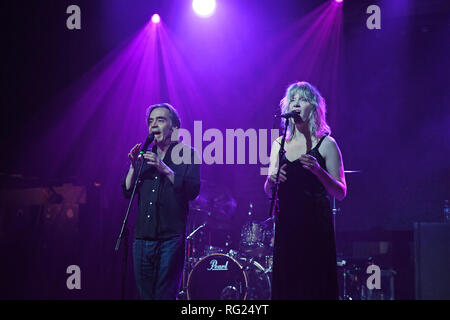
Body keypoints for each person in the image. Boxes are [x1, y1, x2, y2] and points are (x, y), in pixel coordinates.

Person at [264, 81, 347, 300]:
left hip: (315, 226)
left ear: (314, 107)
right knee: (288, 285)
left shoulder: (327, 144)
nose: (296, 103)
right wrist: (271, 179)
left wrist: (319, 171)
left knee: (314, 284)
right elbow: (267, 190)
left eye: (302, 99)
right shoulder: (279, 144)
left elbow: (341, 192)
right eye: (292, 99)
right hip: (287, 225)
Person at [122, 103, 200, 300]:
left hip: (170, 239)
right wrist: (133, 167)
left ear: (174, 128)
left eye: (160, 120)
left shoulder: (187, 154)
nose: (153, 125)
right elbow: (127, 191)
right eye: (150, 121)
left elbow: (192, 190)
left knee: (165, 296)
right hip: (142, 239)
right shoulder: (146, 155)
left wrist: (164, 168)